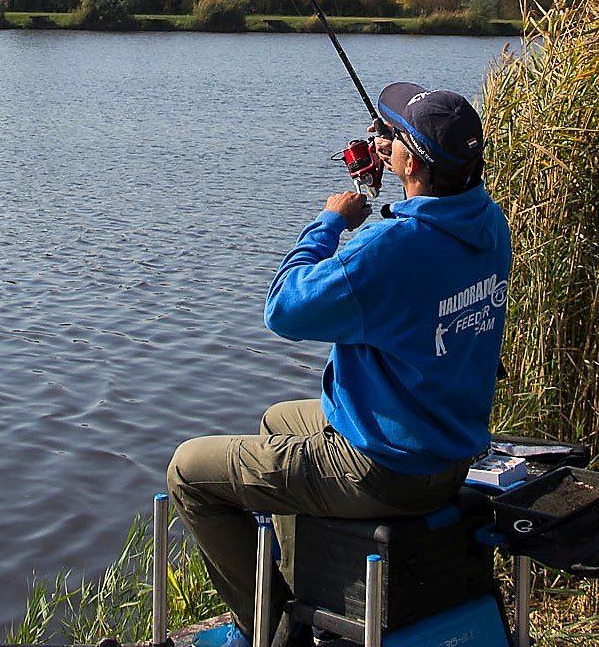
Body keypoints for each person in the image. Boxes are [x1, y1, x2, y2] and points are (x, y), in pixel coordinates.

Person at [166, 82, 513, 647]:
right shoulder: (489, 225)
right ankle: (309, 597)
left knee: (189, 472)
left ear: (413, 160)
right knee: (281, 420)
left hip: (388, 469)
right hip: (449, 452)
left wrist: (331, 220)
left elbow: (284, 308)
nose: (382, 138)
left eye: (393, 134)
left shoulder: (389, 250)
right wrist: (399, 166)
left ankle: (268, 630)